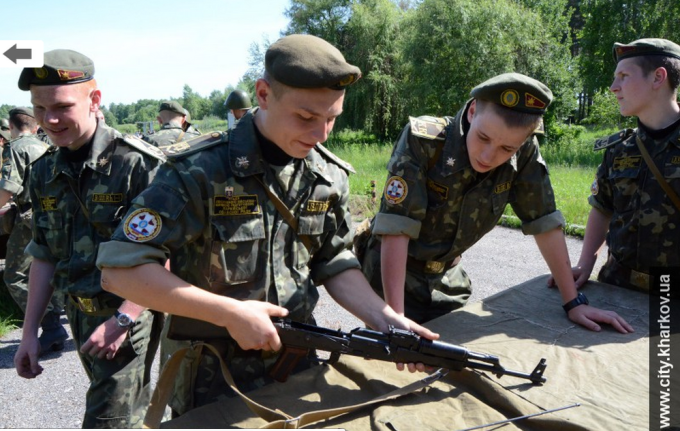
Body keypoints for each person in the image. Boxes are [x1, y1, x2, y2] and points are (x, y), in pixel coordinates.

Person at [97, 34, 438, 418]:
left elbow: (334, 260)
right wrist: (229, 313)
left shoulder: (327, 176)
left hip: (296, 367)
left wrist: (385, 318)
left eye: (331, 119)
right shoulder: (198, 171)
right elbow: (120, 272)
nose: (321, 133)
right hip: (211, 381)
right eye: (307, 117)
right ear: (263, 94)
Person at [359, 73, 633, 333]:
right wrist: (395, 320)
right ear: (472, 111)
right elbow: (398, 228)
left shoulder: (524, 151)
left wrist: (573, 303)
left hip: (447, 281)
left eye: (507, 149)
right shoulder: (425, 141)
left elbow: (544, 221)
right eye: (483, 138)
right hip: (391, 277)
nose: (489, 157)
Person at [13, 49, 166, 428]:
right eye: (38, 108)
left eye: (62, 107)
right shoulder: (43, 170)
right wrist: (29, 333)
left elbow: (167, 252)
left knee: (107, 421)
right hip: (79, 315)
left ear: (94, 100)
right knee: (131, 417)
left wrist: (123, 319)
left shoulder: (138, 165)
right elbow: (44, 254)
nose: (49, 119)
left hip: (129, 314)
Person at [571, 38, 680, 292]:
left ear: (658, 78)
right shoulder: (620, 148)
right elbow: (602, 207)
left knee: (663, 335)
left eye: (623, 76)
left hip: (673, 300)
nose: (613, 87)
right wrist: (585, 264)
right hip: (616, 287)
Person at [0, 107, 67, 353]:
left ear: (11, 125)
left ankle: (51, 326)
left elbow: (8, 187)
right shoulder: (45, 145)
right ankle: (56, 320)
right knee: (52, 267)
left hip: (30, 217)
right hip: (54, 214)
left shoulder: (16, 147)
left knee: (15, 275)